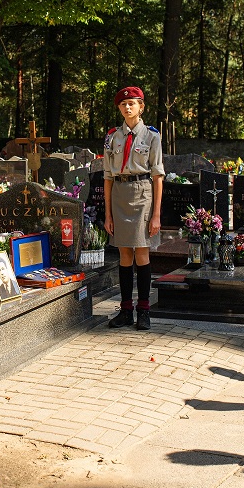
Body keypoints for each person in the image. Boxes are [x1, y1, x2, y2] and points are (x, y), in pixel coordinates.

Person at [103, 87, 165, 331]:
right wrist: (107, 214)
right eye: (123, 104)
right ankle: (126, 310)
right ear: (119, 108)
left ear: (141, 107)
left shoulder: (152, 137)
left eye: (132, 103)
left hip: (142, 195)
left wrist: (156, 214)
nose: (127, 107)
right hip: (119, 195)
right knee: (124, 254)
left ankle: (144, 310)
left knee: (142, 253)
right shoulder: (112, 137)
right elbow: (108, 176)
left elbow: (158, 176)